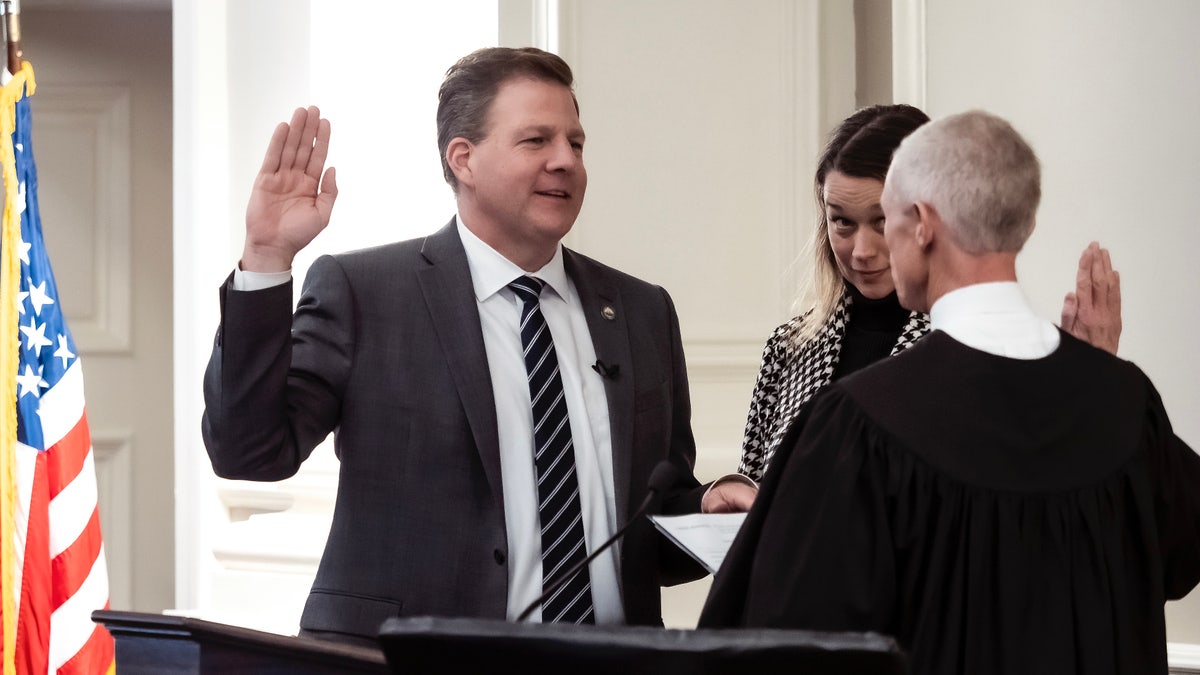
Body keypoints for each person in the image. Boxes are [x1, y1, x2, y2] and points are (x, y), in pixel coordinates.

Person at [201, 47, 747, 646]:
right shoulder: (367, 292)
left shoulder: (642, 311)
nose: (566, 161)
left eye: (576, 143)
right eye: (536, 141)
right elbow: (248, 452)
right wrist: (266, 259)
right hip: (414, 659)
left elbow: (652, 520)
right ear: (463, 159)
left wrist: (707, 506)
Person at [699, 110, 1200, 674]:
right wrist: (1096, 374)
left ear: (922, 224)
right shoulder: (1126, 401)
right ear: (1024, 226)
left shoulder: (857, 421)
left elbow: (786, 641)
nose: (868, 245)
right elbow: (1175, 560)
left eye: (884, 219)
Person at [736, 104, 1121, 484]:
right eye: (842, 222)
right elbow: (750, 496)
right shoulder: (788, 348)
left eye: (881, 220)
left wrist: (1088, 380)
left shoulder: (988, 351)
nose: (862, 251)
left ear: (928, 220)